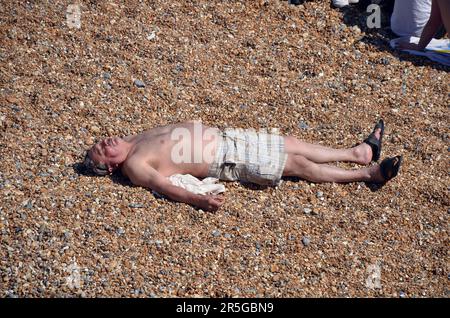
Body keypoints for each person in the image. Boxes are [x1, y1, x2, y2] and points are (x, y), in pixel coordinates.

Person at [83, 120, 402, 212]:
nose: (105, 144)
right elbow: (164, 186)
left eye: (100, 143)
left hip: (227, 138)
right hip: (225, 159)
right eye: (102, 152)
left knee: (288, 143)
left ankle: (356, 153)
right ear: (110, 168)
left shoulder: (132, 139)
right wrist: (199, 199)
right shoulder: (135, 165)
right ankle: (367, 174)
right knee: (295, 164)